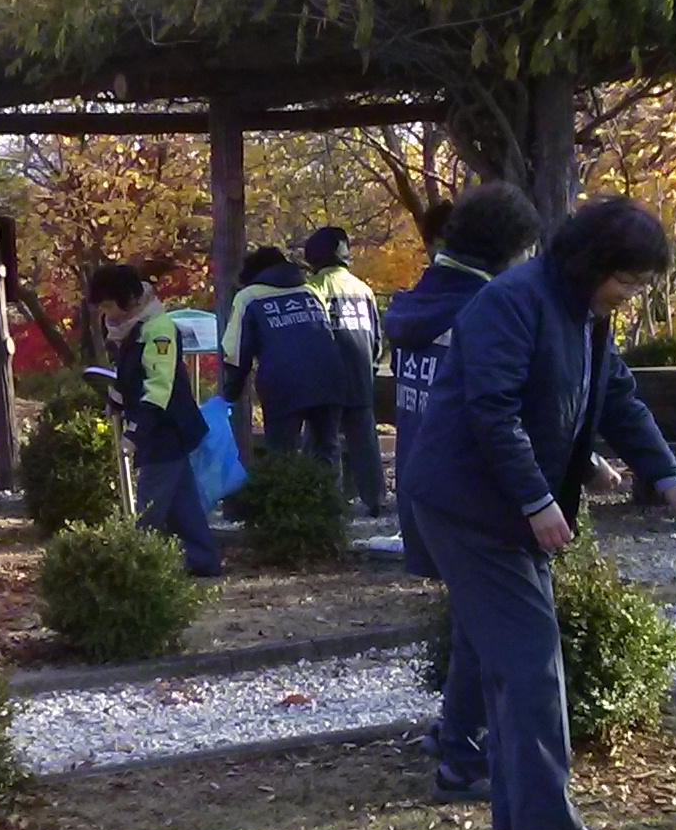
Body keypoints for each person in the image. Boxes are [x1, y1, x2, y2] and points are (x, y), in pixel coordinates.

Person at [401, 196, 676, 830]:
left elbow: (616, 396)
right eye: (627, 280)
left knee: (506, 655)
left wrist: (667, 477)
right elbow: (493, 410)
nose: (630, 295)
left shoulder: (585, 313)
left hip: (506, 502)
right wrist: (539, 500)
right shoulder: (510, 302)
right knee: (531, 659)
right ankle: (542, 821)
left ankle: (515, 813)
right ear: (591, 262)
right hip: (468, 502)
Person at [384, 186, 543, 579]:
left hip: (420, 492)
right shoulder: (488, 312)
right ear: (511, 251)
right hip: (477, 503)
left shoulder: (415, 307)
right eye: (528, 250)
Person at [87, 263, 221, 576]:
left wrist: (134, 433)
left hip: (165, 428)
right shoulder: (129, 328)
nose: (106, 313)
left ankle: (140, 567)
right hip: (159, 428)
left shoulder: (157, 329)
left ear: (127, 299)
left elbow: (158, 388)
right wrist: (115, 400)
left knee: (150, 505)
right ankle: (202, 560)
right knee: (183, 504)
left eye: (108, 304)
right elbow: (129, 375)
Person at [220, 243, 358, 466]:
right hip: (330, 377)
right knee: (327, 450)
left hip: (283, 382)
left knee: (282, 455)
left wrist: (229, 395)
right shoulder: (310, 291)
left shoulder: (249, 297)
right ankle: (328, 489)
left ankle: (285, 488)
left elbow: (237, 353)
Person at [300, 226, 387, 515]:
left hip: (326, 380)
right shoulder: (364, 290)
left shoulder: (313, 289)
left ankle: (326, 503)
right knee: (365, 443)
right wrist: (370, 368)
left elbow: (309, 337)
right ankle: (375, 500)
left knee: (321, 443)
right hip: (360, 376)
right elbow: (377, 339)